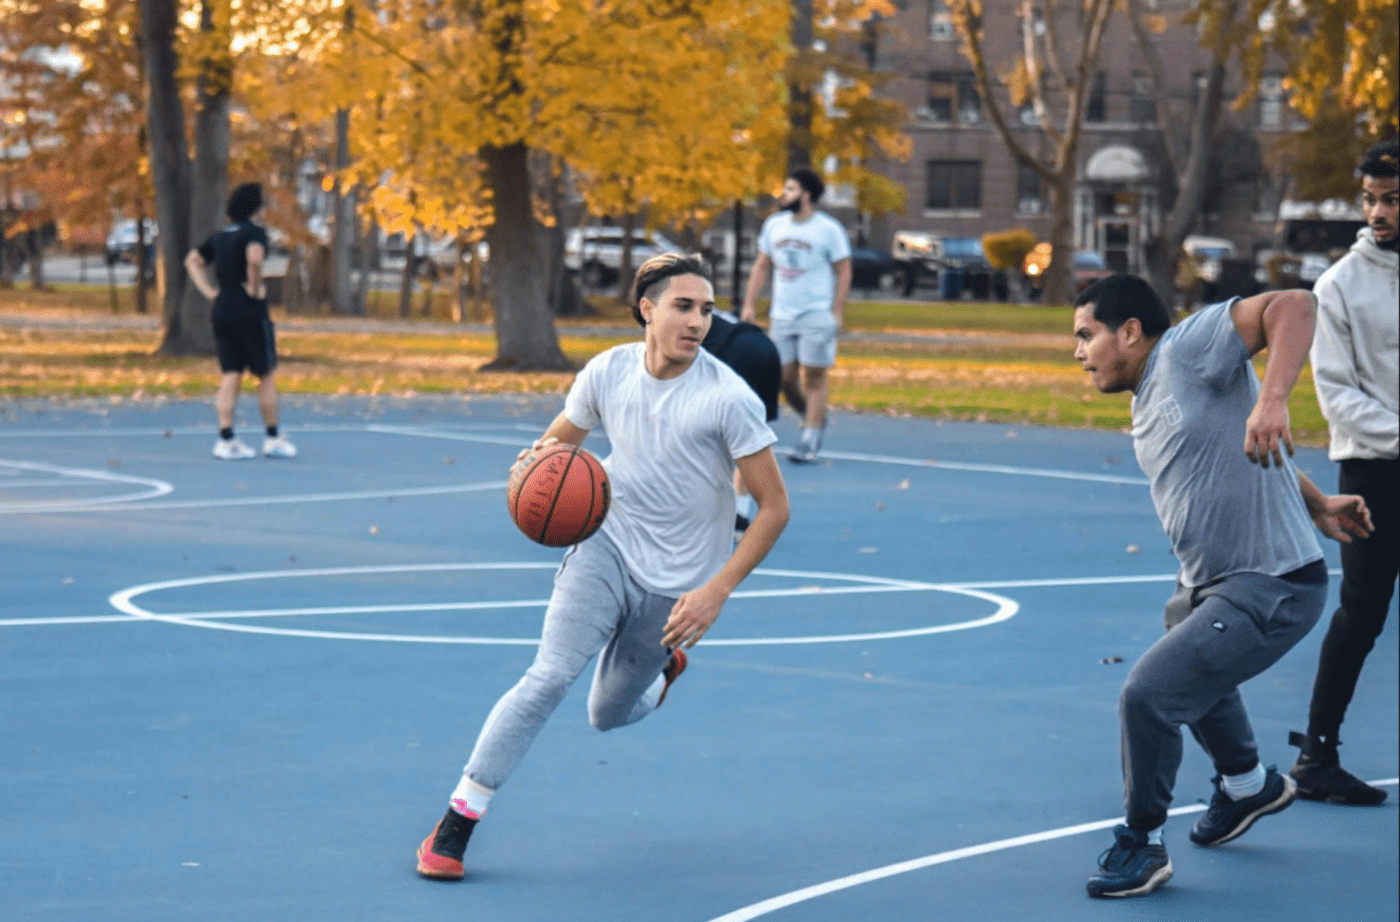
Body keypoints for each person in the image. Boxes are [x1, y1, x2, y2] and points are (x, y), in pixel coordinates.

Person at [415, 253, 790, 881]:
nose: (697, 320)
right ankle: (455, 825)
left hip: (679, 586)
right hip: (605, 546)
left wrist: (716, 591)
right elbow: (559, 441)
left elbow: (775, 508)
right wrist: (532, 466)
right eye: (683, 306)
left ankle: (664, 668)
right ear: (647, 308)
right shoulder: (608, 372)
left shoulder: (728, 400)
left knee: (605, 715)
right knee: (547, 678)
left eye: (706, 309)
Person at [1070, 275, 1372, 899]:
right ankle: (1246, 785)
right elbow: (1237, 451)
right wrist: (1314, 502)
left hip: (1272, 585)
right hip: (1211, 585)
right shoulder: (1148, 399)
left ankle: (1143, 844)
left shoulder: (1185, 349)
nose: (1078, 351)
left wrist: (1277, 398)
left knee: (1148, 694)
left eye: (1085, 335)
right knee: (1185, 636)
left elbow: (1295, 304)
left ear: (1129, 332)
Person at [1287, 139, 1399, 806]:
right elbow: (1339, 398)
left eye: (1391, 200)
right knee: (1362, 614)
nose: (1377, 212)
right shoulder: (1337, 287)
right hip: (1372, 472)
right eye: (1371, 200)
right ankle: (1316, 757)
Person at [740, 167, 852, 464]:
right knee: (784, 377)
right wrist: (750, 304)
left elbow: (843, 269)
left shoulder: (828, 229)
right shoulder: (775, 225)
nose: (782, 194)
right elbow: (764, 265)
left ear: (805, 195)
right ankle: (812, 415)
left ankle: (810, 438)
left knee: (815, 376)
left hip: (816, 313)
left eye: (789, 189)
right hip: (782, 315)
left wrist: (836, 310)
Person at [183, 182, 296, 460]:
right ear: (256, 207)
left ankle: (226, 438)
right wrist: (255, 287)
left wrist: (209, 290)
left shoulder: (221, 236)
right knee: (265, 373)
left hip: (223, 308)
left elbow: (192, 261)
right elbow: (255, 258)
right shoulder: (255, 233)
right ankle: (272, 437)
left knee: (230, 374)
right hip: (249, 310)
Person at [702, 306, 782, 533]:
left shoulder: (682, 319)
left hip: (739, 353)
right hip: (766, 347)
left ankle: (720, 514)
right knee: (751, 439)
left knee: (713, 437)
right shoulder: (715, 315)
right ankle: (741, 515)